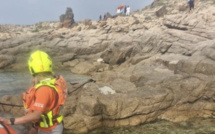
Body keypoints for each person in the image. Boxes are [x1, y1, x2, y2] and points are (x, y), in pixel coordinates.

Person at [0, 50, 67, 134]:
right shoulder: (53, 82)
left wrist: (10, 121)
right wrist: (35, 126)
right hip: (51, 126)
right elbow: (46, 109)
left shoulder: (43, 89)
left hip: (50, 130)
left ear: (31, 68)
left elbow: (36, 114)